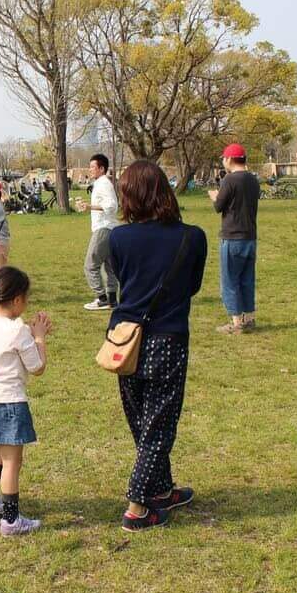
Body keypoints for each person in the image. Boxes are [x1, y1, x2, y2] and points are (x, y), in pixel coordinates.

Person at [108, 161, 207, 531]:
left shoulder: (117, 238)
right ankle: (137, 507)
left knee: (144, 423)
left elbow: (123, 279)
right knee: (157, 426)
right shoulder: (192, 237)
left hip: (125, 338)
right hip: (167, 338)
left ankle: (161, 489)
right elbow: (192, 285)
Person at [0, 266, 52, 536]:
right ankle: (11, 520)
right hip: (9, 403)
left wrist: (30, 335)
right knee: (12, 461)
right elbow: (37, 367)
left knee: (1, 452)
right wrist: (39, 337)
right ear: (17, 300)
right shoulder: (19, 331)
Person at [208, 143, 259, 334]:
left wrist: (214, 196)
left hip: (232, 237)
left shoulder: (229, 180)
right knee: (246, 279)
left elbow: (219, 206)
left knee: (230, 280)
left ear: (229, 159)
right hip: (250, 236)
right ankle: (249, 317)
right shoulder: (253, 180)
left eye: (224, 158)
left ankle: (236, 323)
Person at [74, 153, 119, 311]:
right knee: (110, 266)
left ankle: (102, 298)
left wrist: (89, 207)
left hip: (104, 229)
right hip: (110, 229)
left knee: (90, 265)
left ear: (101, 168)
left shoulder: (103, 183)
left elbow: (112, 206)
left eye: (93, 167)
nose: (90, 169)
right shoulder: (102, 183)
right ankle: (112, 300)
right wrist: (88, 207)